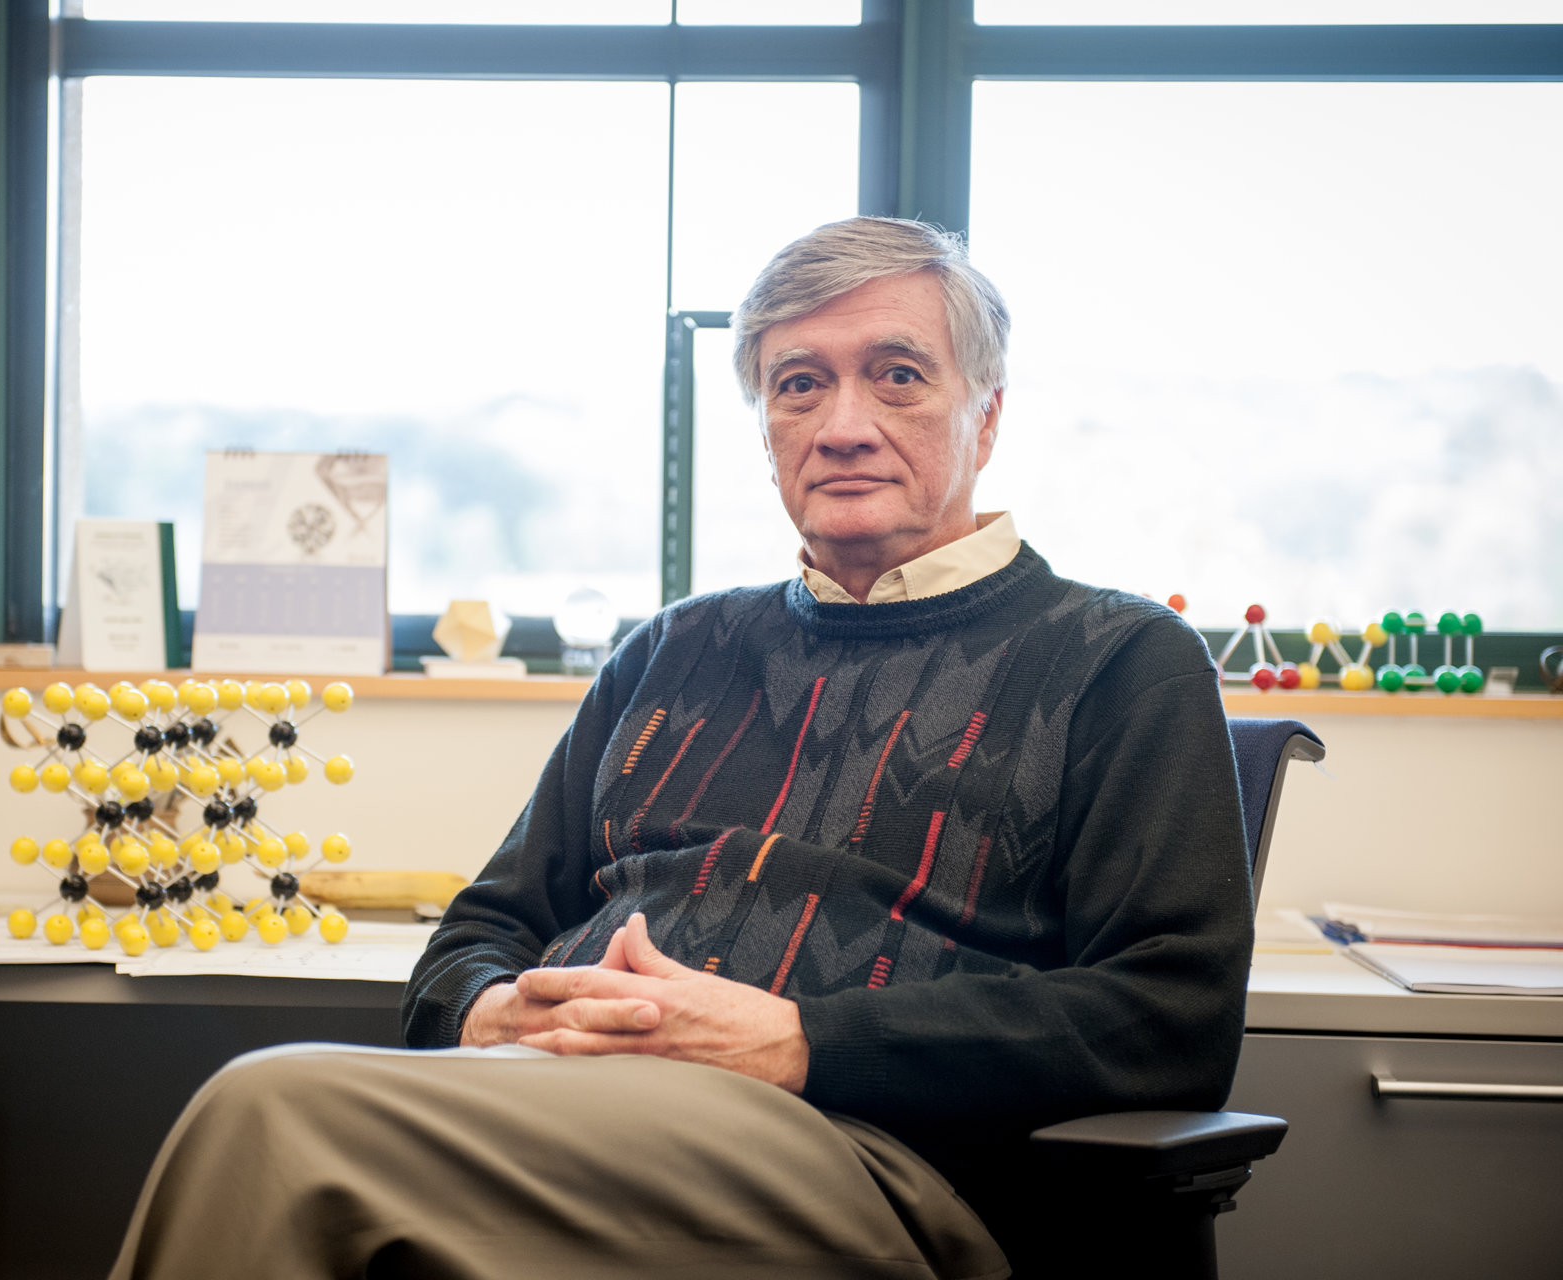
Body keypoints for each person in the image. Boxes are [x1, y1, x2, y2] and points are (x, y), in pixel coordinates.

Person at [109, 218, 1253, 1280]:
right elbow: (476, 933)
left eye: (897, 375)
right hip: (550, 1099)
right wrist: (495, 1010)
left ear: (986, 416)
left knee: (272, 1118)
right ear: (765, 431)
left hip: (863, 1159)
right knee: (290, 1133)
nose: (843, 422)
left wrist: (801, 1039)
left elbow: (1168, 1019)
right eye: (798, 384)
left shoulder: (1119, 658)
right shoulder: (672, 649)